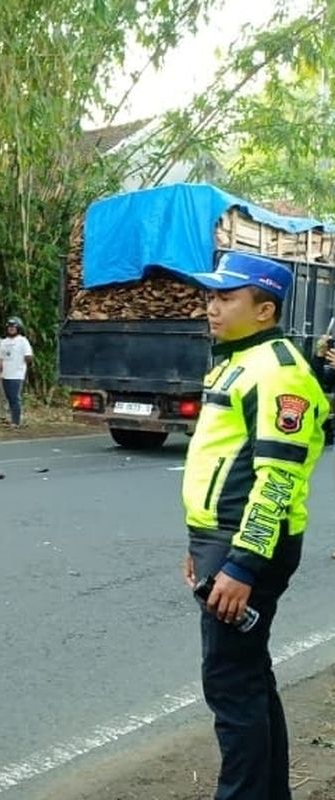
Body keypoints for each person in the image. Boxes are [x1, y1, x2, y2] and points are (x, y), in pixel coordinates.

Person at [181, 253, 328, 800]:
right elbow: (222, 463)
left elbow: (276, 481)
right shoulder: (243, 362)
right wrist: (199, 542)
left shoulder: (279, 373)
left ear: (265, 309)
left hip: (249, 545)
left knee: (231, 686)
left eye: (227, 298)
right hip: (223, 539)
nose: (212, 307)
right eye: (211, 296)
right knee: (249, 678)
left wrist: (241, 564)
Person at [0, 317, 33, 426]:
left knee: (15, 398)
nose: (11, 329)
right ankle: (11, 418)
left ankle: (16, 421)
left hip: (17, 374)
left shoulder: (23, 341)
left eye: (13, 327)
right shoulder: (4, 342)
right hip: (5, 374)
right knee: (8, 398)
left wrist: (28, 360)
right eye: (9, 327)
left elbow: (29, 356)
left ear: (18, 328)